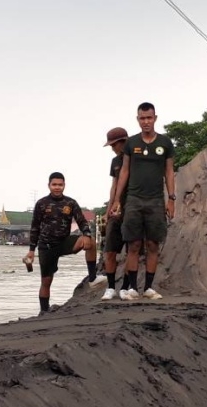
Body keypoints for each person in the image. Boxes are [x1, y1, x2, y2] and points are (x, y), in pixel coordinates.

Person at [109, 102, 175, 300]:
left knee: (153, 244)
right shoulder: (132, 143)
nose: (146, 122)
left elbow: (169, 171)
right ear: (137, 119)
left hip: (155, 200)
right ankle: (132, 289)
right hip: (134, 200)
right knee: (134, 245)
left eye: (149, 118)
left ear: (155, 118)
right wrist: (117, 201)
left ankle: (148, 287)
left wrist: (171, 199)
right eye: (142, 118)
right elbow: (125, 172)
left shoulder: (165, 143)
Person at [25, 172, 96, 314]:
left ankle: (93, 277)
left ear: (64, 185)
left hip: (65, 242)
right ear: (49, 186)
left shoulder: (70, 203)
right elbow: (35, 228)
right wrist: (31, 250)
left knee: (91, 242)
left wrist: (87, 234)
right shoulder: (41, 203)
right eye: (54, 185)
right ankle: (43, 311)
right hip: (46, 246)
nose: (57, 187)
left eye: (60, 185)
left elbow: (82, 221)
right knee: (46, 281)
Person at [100, 126, 132, 301]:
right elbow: (114, 185)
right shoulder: (115, 162)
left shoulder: (138, 158)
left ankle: (125, 287)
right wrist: (108, 209)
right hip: (116, 211)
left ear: (123, 142)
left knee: (131, 251)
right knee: (110, 251)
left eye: (114, 145)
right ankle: (111, 287)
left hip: (132, 208)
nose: (112, 148)